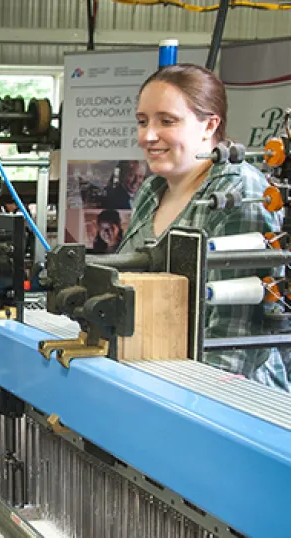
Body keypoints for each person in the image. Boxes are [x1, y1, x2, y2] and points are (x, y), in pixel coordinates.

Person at [119, 63, 288, 390]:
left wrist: (185, 403)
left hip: (229, 398)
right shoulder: (150, 192)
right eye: (142, 122)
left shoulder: (239, 192)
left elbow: (235, 340)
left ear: (210, 125)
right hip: (149, 374)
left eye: (167, 121)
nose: (148, 136)